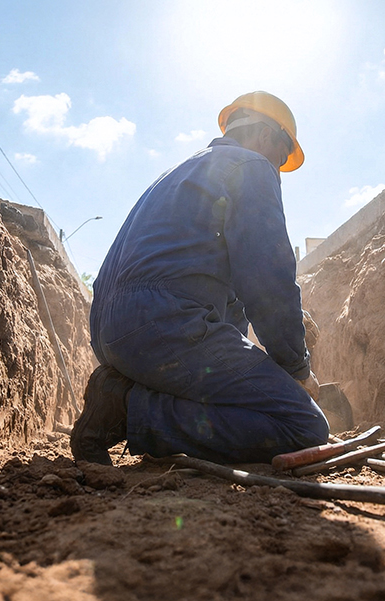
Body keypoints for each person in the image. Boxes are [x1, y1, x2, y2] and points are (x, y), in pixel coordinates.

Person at [71, 91, 329, 465]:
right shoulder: (251, 166)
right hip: (163, 326)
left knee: (233, 395)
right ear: (266, 137)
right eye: (283, 157)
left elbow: (233, 304)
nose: (278, 169)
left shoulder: (182, 173)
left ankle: (122, 396)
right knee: (304, 427)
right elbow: (268, 281)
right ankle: (127, 411)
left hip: (113, 333)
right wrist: (296, 371)